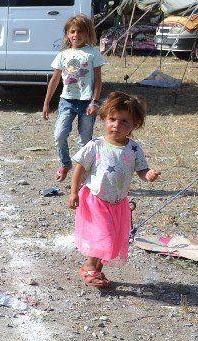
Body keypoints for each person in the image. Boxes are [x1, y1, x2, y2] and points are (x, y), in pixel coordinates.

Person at [69, 92, 160, 288]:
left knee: (114, 238)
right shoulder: (95, 145)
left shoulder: (134, 148)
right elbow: (79, 168)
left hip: (119, 203)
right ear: (104, 119)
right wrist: (73, 192)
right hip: (96, 199)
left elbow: (141, 170)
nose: (116, 125)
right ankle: (89, 268)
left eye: (124, 122)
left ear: (134, 125)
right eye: (112, 119)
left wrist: (149, 175)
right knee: (103, 236)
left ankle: (97, 270)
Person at [42, 15, 106, 182]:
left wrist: (95, 101)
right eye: (72, 31)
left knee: (84, 140)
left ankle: (82, 174)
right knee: (59, 134)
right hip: (67, 101)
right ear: (67, 34)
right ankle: (65, 163)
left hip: (87, 102)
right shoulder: (63, 54)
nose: (76, 35)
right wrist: (46, 103)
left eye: (80, 32)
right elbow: (55, 79)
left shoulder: (93, 53)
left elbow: (98, 80)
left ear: (88, 34)